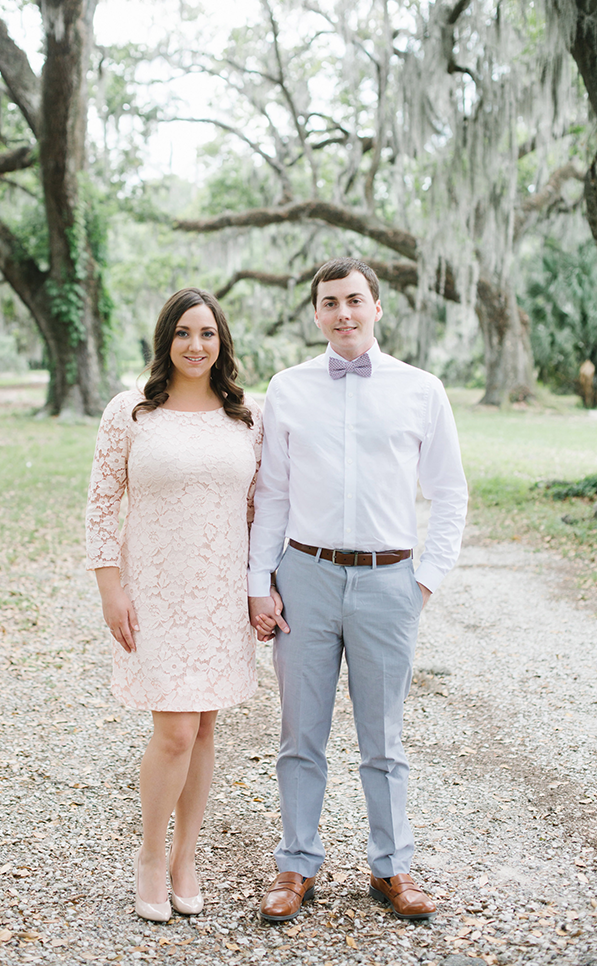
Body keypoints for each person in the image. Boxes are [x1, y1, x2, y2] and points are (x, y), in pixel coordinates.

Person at [248, 258, 467, 923]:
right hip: (305, 576)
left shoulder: (420, 390)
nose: (342, 313)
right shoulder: (287, 388)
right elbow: (274, 493)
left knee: (384, 738)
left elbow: (451, 494)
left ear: (377, 307)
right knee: (299, 734)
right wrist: (259, 582)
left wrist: (422, 583)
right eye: (329, 303)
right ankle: (296, 864)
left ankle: (392, 867)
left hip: (388, 579)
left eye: (354, 300)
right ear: (316, 314)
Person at [86, 288, 262, 923]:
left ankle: (188, 858)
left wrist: (259, 587)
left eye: (208, 334)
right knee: (175, 730)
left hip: (220, 595)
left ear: (223, 344)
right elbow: (103, 503)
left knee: (207, 727)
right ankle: (151, 859)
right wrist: (111, 588)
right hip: (156, 593)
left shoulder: (246, 415)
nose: (196, 345)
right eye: (184, 333)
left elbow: (257, 511)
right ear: (165, 340)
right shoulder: (129, 413)